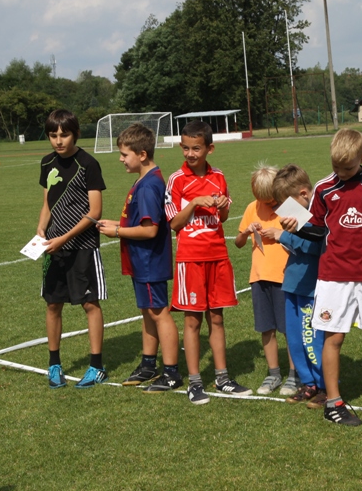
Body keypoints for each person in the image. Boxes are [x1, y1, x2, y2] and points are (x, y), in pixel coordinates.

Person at [309, 128, 362, 426]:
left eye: (347, 168)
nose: (341, 173)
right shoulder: (323, 188)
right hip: (334, 276)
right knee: (334, 337)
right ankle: (333, 403)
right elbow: (315, 228)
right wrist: (293, 224)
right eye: (335, 166)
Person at [165, 120, 251, 405]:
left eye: (196, 148)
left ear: (209, 149)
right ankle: (194, 382)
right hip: (190, 259)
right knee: (192, 321)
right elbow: (174, 223)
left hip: (218, 256)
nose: (190, 154)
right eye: (186, 148)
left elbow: (222, 218)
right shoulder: (177, 180)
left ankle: (222, 378)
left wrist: (223, 206)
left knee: (217, 318)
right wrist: (194, 203)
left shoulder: (219, 177)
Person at [97, 123, 183, 392]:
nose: (121, 159)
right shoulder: (146, 180)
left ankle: (171, 372)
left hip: (149, 261)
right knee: (148, 312)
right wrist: (116, 223)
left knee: (159, 313)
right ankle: (148, 365)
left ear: (142, 154)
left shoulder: (148, 186)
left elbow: (150, 230)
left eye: (125, 154)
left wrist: (117, 231)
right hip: (142, 260)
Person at [38, 109, 108, 389]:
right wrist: (41, 228)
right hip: (53, 247)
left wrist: (64, 238)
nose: (58, 140)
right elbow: (48, 202)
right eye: (53, 135)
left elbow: (95, 212)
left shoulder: (88, 163)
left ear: (76, 134)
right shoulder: (46, 162)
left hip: (82, 247)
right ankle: (54, 364)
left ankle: (96, 366)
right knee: (53, 304)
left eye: (64, 135)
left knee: (89, 303)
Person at [258, 164, 326, 408]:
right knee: (295, 339)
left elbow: (316, 247)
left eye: (286, 203)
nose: (282, 209)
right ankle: (307, 383)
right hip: (292, 284)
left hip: (310, 288)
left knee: (312, 339)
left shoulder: (316, 218)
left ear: (304, 194)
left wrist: (283, 235)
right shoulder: (297, 216)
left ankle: (323, 385)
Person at [235, 164, 298, 396]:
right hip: (259, 277)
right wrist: (246, 232)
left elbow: (309, 238)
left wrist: (281, 235)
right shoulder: (252, 207)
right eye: (264, 201)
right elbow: (238, 242)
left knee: (289, 329)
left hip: (286, 278)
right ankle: (273, 373)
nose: (269, 205)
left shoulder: (291, 207)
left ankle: (294, 374)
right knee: (266, 328)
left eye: (272, 201)